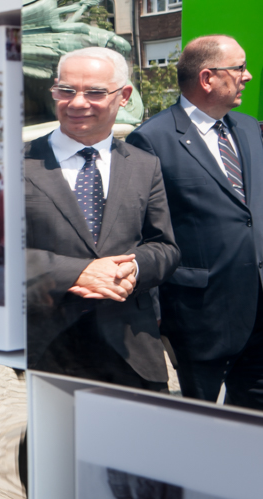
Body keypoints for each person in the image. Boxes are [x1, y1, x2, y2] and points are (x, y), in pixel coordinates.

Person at [26, 47, 180, 390]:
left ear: (124, 96)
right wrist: (77, 272)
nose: (78, 102)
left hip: (134, 348)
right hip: (52, 349)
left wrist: (134, 267)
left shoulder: (144, 165)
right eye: (66, 90)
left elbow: (165, 247)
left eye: (95, 92)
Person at [127, 35, 263, 409]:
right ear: (207, 78)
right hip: (200, 316)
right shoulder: (150, 140)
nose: (247, 76)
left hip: (258, 307)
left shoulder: (249, 128)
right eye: (239, 68)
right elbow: (144, 232)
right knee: (204, 422)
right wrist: (154, 314)